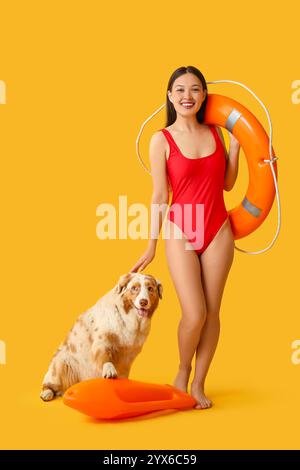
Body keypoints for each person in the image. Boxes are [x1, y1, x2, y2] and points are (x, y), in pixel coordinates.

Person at [130, 65, 240, 409]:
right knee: (194, 313)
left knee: (213, 312)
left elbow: (226, 184)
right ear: (170, 96)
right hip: (181, 228)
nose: (187, 96)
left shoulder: (216, 133)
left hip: (218, 228)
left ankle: (199, 383)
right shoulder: (160, 140)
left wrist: (235, 147)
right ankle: (182, 370)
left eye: (194, 89)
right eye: (180, 90)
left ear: (204, 95)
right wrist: (150, 244)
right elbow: (160, 195)